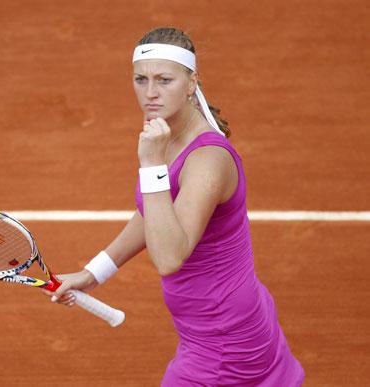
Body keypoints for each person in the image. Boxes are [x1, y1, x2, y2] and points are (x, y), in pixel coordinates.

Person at [47, 27, 305, 386]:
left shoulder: (207, 160)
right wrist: (94, 273)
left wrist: (151, 165)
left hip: (224, 340)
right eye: (141, 79)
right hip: (209, 327)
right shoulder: (167, 132)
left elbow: (169, 257)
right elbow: (155, 212)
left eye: (164, 80)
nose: (150, 93)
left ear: (191, 82)